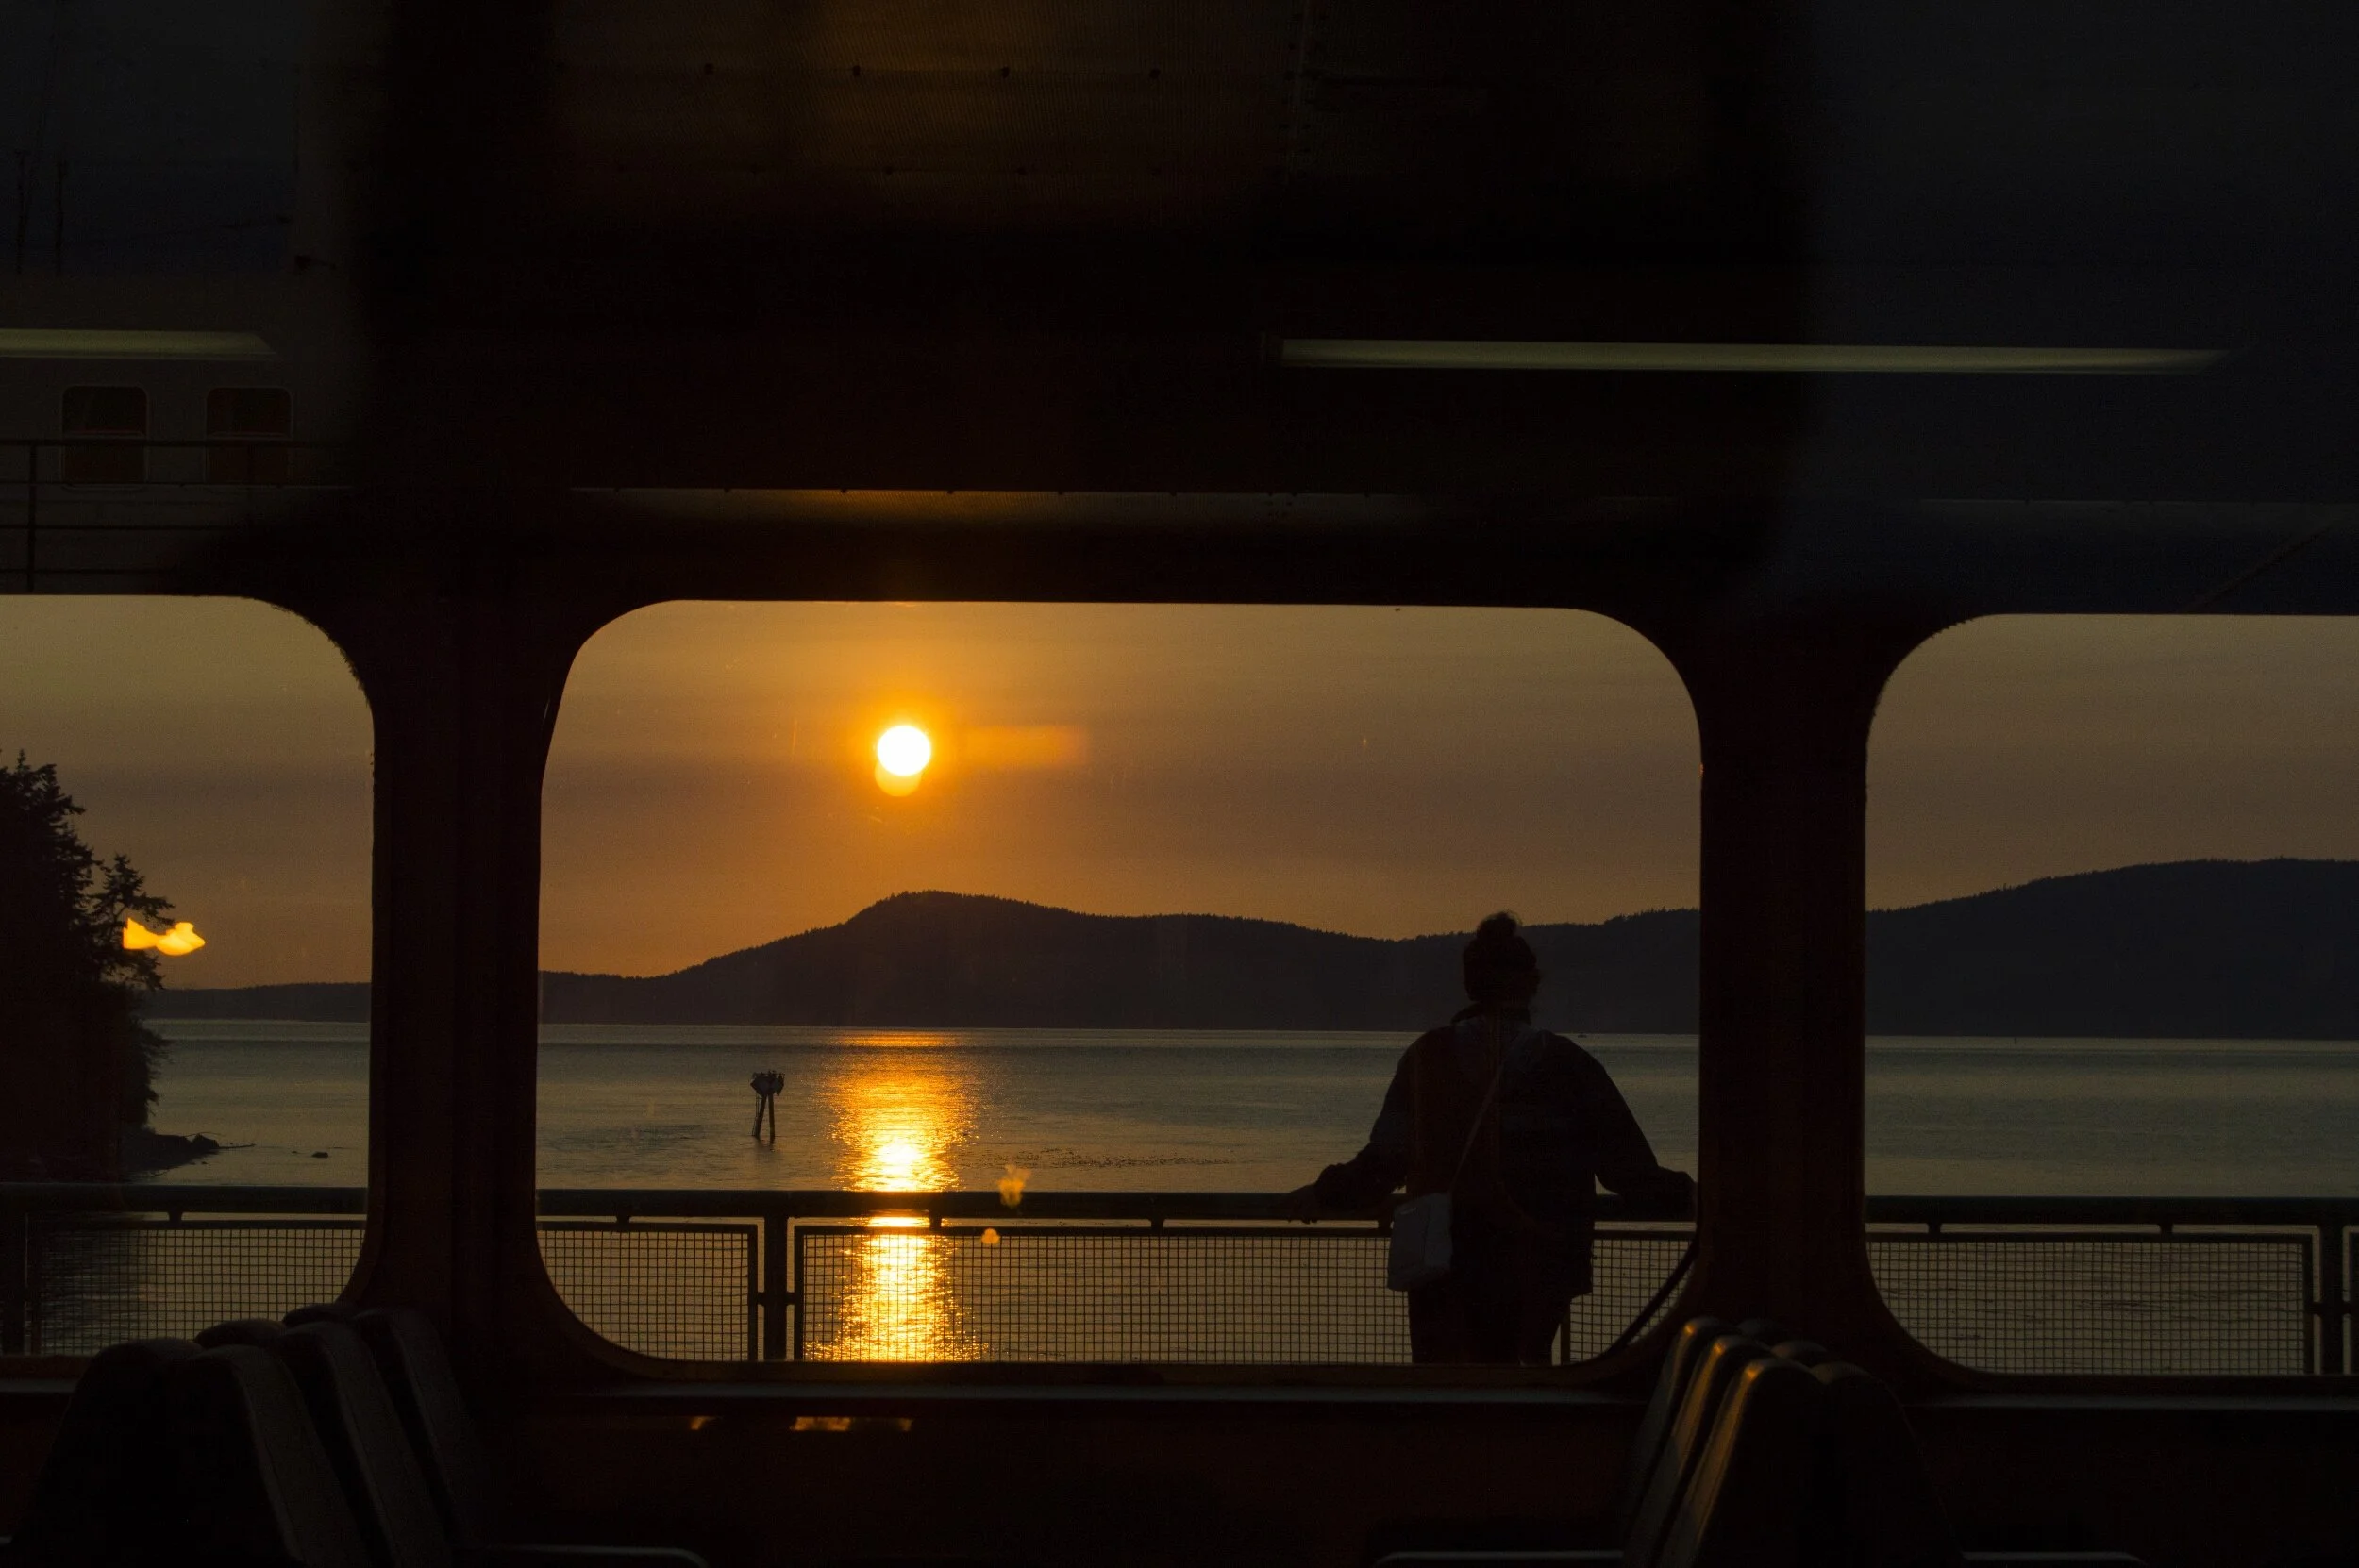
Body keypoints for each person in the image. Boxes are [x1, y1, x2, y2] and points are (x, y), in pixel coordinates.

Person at [1289, 911, 1694, 1364]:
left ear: (1469, 984)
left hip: (1443, 1266)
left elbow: (1385, 1159)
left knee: (1447, 1397)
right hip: (1537, 1268)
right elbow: (1628, 1170)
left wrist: (1326, 1192)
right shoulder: (1568, 1064)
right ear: (1531, 986)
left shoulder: (1429, 1058)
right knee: (1525, 1389)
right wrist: (1695, 1197)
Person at [750, 1070, 781, 1140]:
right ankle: (771, 1135)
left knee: (765, 1097)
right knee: (768, 1097)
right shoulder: (772, 1083)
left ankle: (758, 1134)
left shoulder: (762, 1082)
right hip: (768, 1087)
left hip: (766, 1088)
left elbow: (754, 1083)